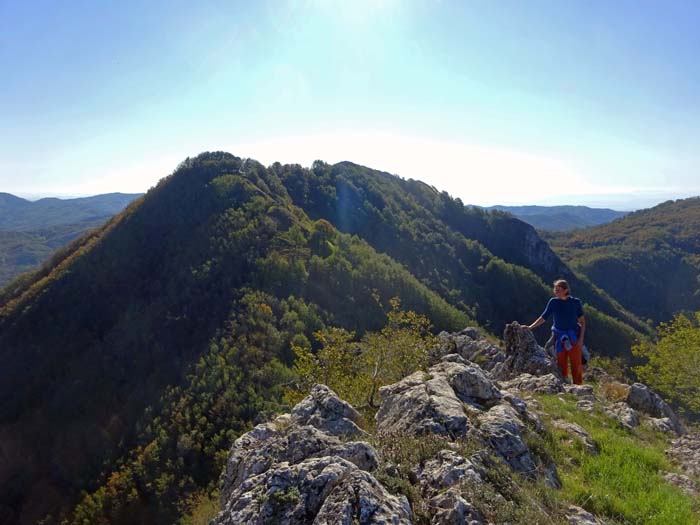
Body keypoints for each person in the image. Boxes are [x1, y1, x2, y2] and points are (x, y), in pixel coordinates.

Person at [527, 279, 586, 385]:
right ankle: (565, 386)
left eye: (558, 290)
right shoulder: (553, 302)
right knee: (561, 364)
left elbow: (582, 322)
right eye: (555, 289)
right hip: (558, 338)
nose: (555, 291)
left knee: (576, 365)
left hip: (573, 338)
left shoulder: (575, 302)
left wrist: (581, 339)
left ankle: (579, 389)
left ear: (566, 290)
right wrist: (530, 327)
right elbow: (543, 317)